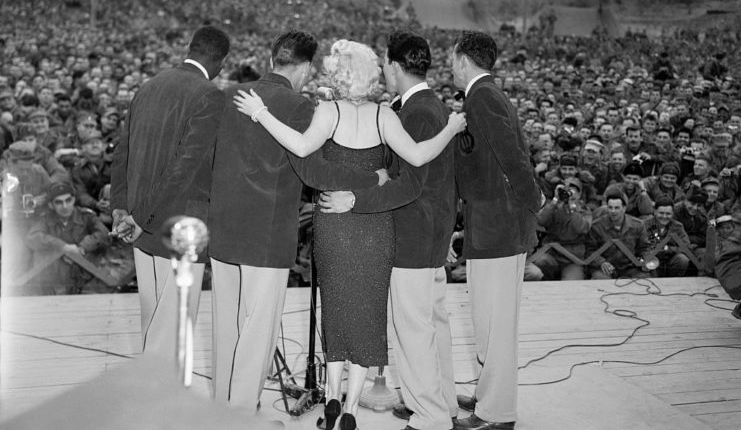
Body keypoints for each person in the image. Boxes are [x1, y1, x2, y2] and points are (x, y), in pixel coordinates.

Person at [231, 37, 465, 428]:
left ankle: (333, 398)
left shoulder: (328, 111)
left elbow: (302, 149)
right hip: (375, 227)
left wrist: (260, 113)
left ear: (336, 74)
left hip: (333, 225)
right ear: (372, 73)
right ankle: (353, 408)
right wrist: (452, 127)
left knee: (336, 310)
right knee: (369, 315)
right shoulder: (384, 116)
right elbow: (421, 156)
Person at [317, 31, 459, 430]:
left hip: (410, 236)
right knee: (433, 327)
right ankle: (443, 404)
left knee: (413, 333)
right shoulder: (425, 107)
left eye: (384, 65)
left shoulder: (413, 113)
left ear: (395, 66)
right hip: (428, 234)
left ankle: (430, 415)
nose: (382, 72)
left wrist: (356, 200)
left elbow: (411, 183)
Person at [110, 25, 231, 361]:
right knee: (176, 325)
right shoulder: (210, 95)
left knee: (153, 321)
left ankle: (151, 398)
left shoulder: (149, 86)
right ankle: (166, 405)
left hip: (139, 220)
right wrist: (140, 217)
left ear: (189, 48)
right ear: (221, 61)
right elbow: (185, 166)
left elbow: (123, 153)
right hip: (176, 224)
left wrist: (122, 210)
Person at [447, 31, 541, 430]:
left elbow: (512, 157)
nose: (449, 65)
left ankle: (497, 413)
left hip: (500, 225)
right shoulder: (485, 94)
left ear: (464, 59)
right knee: (487, 320)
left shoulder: (482, 97)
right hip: (494, 224)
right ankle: (489, 394)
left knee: (495, 324)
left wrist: (531, 201)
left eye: (452, 58)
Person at [25, 180, 110, 294]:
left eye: (68, 200)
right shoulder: (45, 219)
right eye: (59, 202)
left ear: (74, 200)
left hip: (84, 276)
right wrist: (62, 246)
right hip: (56, 279)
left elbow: (104, 234)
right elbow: (32, 238)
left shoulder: (86, 216)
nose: (65, 206)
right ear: (51, 205)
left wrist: (82, 248)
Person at [526, 177, 591, 281]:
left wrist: (571, 206)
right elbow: (541, 221)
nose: (568, 193)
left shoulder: (584, 209)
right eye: (566, 189)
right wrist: (555, 200)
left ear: (579, 194)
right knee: (541, 261)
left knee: (572, 284)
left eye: (572, 190)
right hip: (552, 253)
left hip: (572, 258)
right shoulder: (553, 206)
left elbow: (582, 229)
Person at [586, 191, 650, 280]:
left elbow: (645, 248)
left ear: (624, 208)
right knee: (599, 279)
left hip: (630, 267)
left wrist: (643, 261)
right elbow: (589, 250)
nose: (613, 211)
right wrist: (601, 262)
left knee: (644, 280)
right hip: (605, 267)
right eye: (610, 207)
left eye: (617, 208)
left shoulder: (638, 225)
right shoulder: (596, 226)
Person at [641, 197, 692, 277]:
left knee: (682, 259)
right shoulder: (644, 225)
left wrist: (668, 249)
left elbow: (687, 247)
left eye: (668, 214)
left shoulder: (677, 227)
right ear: (655, 212)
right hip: (650, 261)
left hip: (669, 260)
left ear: (672, 213)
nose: (664, 216)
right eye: (661, 213)